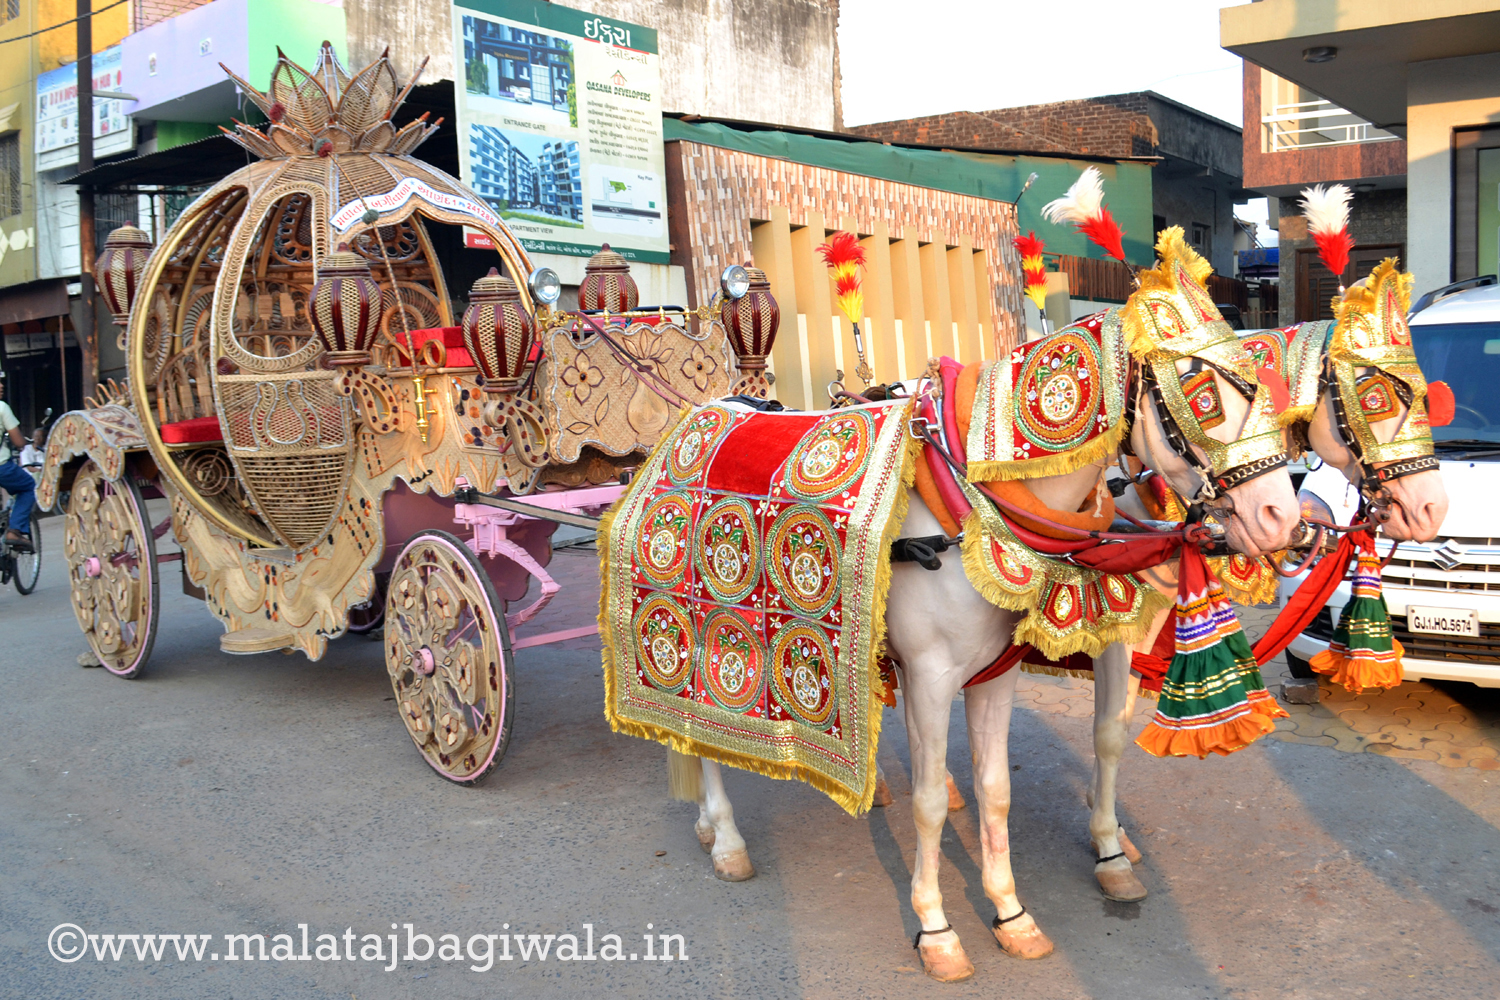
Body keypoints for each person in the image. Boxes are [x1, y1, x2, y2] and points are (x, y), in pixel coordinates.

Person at [0, 372, 37, 551]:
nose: (1, 386)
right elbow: (18, 442)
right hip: (2, 467)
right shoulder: (2, 408)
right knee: (28, 485)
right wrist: (24, 442)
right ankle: (14, 531)